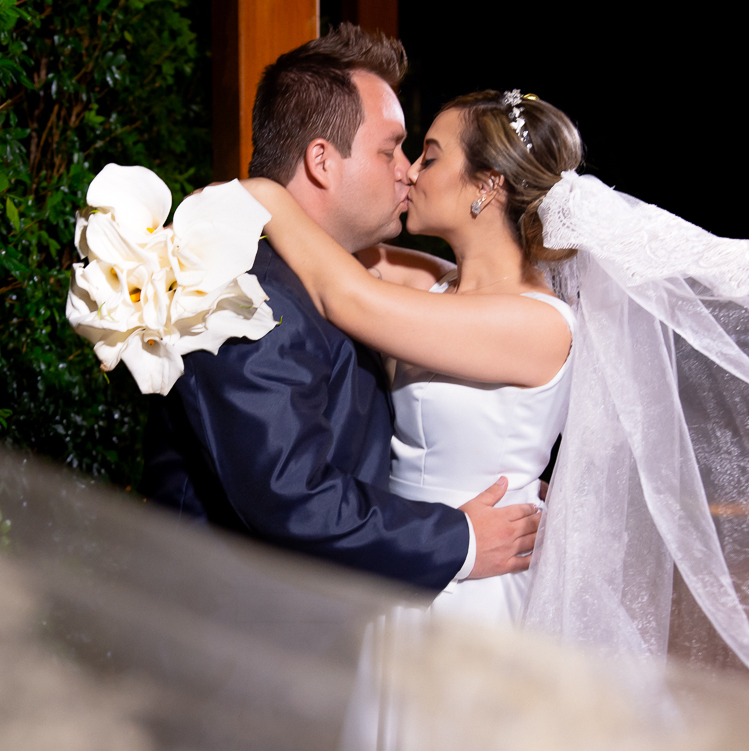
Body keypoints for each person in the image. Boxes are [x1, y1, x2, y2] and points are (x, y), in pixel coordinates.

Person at [140, 25, 540, 593]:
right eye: (391, 149)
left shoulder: (339, 275)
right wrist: (462, 538)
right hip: (239, 648)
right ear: (322, 162)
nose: (407, 170)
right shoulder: (242, 291)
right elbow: (290, 496)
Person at [238, 87, 580, 625]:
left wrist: (258, 191)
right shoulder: (434, 284)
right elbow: (336, 244)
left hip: (476, 584)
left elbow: (346, 294)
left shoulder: (537, 323)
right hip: (407, 565)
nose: (412, 172)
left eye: (431, 155)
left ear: (488, 186)